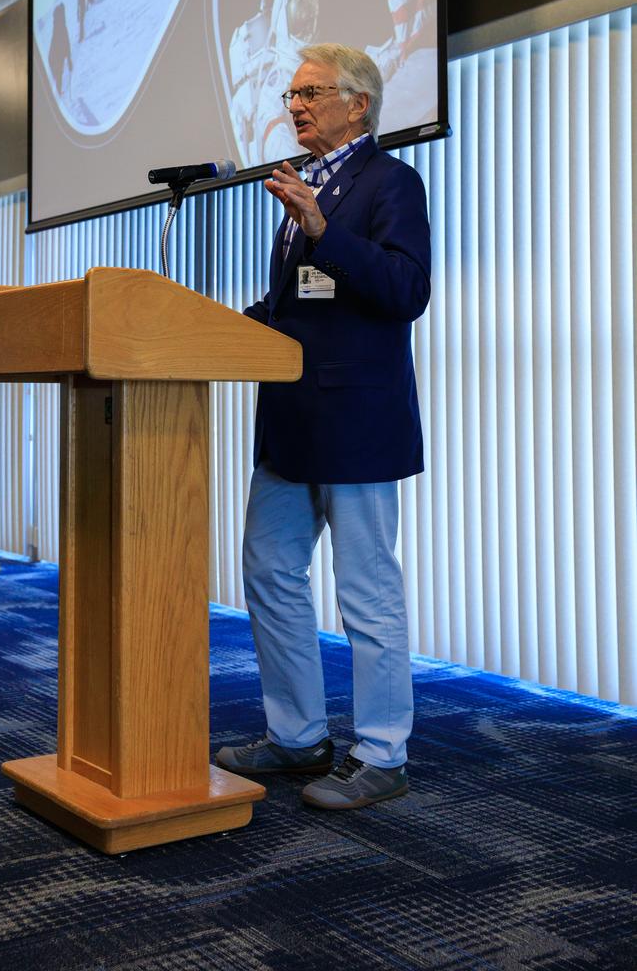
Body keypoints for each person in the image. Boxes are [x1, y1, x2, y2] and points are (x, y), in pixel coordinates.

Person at [215, 43, 431, 811]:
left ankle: (381, 753)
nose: (293, 105)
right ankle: (298, 738)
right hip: (289, 423)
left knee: (367, 592)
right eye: (292, 93)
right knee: (270, 573)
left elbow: (405, 290)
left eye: (310, 93)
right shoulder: (305, 186)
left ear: (357, 104)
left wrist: (322, 231)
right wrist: (214, 326)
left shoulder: (389, 183)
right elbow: (295, 310)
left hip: (357, 423)